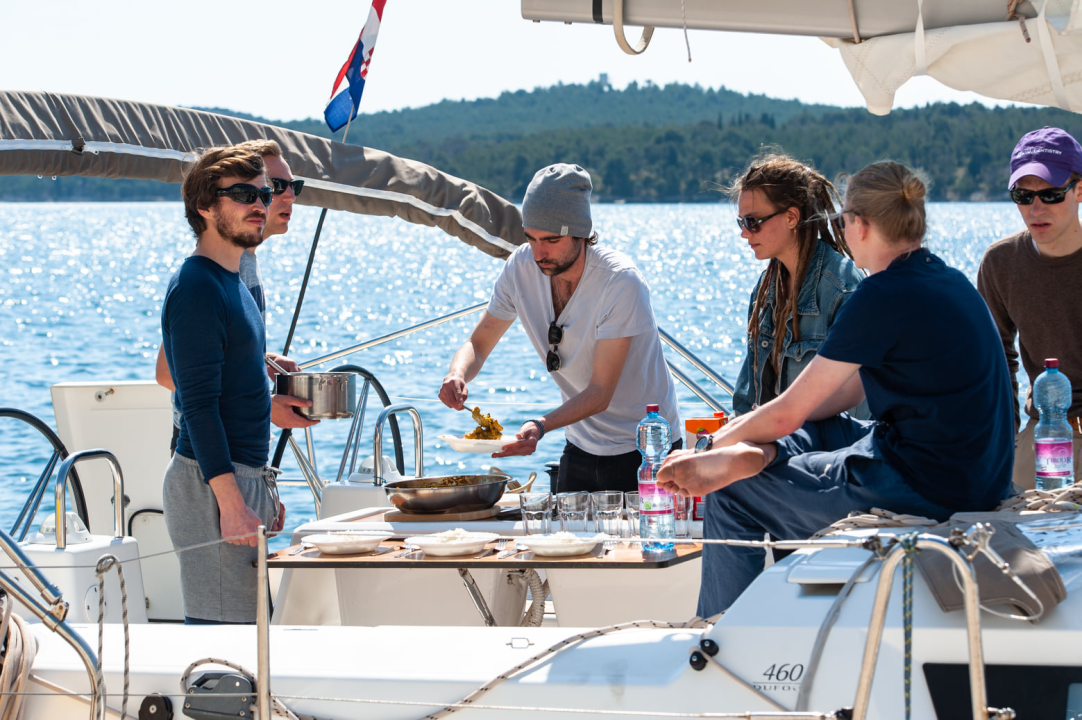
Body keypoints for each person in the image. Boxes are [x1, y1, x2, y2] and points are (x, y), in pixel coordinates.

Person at [658, 161, 1015, 617]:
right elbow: (841, 396)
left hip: (927, 488)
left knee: (731, 488)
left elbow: (786, 412)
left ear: (860, 225)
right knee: (822, 425)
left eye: (844, 219)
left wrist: (708, 447)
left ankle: (722, 641)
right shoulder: (950, 281)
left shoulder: (882, 294)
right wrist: (751, 437)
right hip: (976, 475)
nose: (840, 227)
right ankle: (762, 455)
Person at [438, 163, 680, 492]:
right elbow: (478, 344)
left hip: (647, 451)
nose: (539, 253)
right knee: (568, 543)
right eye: (531, 238)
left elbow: (600, 393)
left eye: (551, 239)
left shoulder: (620, 281)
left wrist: (540, 424)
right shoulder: (519, 269)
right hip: (580, 447)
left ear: (581, 232)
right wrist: (458, 373)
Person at [161, 145, 286, 624]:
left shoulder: (235, 280)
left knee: (254, 636)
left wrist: (260, 488)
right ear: (205, 207)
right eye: (242, 194)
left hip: (238, 476)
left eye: (263, 192)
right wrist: (233, 503)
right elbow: (197, 406)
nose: (260, 203)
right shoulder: (196, 286)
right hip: (207, 483)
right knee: (224, 648)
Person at [155, 140, 316, 449]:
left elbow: (215, 355)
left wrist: (260, 360)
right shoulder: (222, 269)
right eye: (275, 186)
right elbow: (168, 372)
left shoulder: (245, 262)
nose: (289, 196)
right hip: (210, 451)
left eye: (291, 186)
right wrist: (267, 405)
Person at [977, 126, 1082, 488]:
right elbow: (995, 360)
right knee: (1014, 538)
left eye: (1051, 194)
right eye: (1023, 195)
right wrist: (1003, 441)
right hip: (1043, 434)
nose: (1036, 208)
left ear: (1080, 190)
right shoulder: (1000, 262)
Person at [728, 151, 868, 418]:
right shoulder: (765, 289)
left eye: (752, 222)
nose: (744, 232)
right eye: (741, 222)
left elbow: (859, 414)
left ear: (792, 217)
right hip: (775, 448)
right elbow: (747, 402)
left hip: (823, 455)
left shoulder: (842, 287)